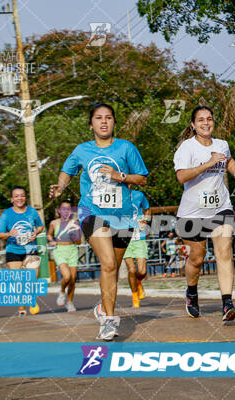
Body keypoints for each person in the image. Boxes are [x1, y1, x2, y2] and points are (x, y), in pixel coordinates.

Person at [50, 103, 148, 341]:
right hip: (91, 212)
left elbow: (142, 179)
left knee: (112, 268)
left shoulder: (127, 148)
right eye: (98, 118)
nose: (104, 122)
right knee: (107, 263)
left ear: (114, 122)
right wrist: (60, 186)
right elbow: (67, 170)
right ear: (91, 123)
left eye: (108, 118)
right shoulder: (82, 150)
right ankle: (108, 321)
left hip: (124, 216)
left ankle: (103, 308)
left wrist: (120, 176)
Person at [173, 105, 235, 322]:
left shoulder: (222, 144)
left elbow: (229, 160)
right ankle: (192, 292)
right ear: (193, 125)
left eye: (209, 119)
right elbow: (181, 177)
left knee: (224, 252)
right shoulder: (186, 148)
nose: (206, 123)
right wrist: (208, 163)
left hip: (220, 207)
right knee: (196, 259)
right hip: (192, 213)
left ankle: (227, 304)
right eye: (201, 120)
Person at [0, 185, 44, 317]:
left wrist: (36, 232)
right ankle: (22, 308)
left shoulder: (32, 212)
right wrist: (9, 234)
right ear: (12, 199)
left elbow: (41, 226)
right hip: (13, 250)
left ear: (25, 197)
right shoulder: (6, 214)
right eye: (16, 196)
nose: (20, 198)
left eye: (22, 195)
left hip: (31, 248)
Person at [47, 200, 82, 312]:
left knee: (72, 280)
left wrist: (75, 236)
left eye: (68, 209)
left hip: (72, 250)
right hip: (60, 250)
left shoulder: (75, 223)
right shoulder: (54, 223)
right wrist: (51, 240)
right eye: (63, 208)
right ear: (59, 210)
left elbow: (79, 242)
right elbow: (49, 234)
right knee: (66, 276)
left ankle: (70, 302)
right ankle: (62, 292)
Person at [123, 188, 151, 307]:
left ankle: (138, 282)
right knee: (132, 270)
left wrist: (146, 220)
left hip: (139, 236)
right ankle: (135, 298)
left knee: (142, 271)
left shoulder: (139, 195)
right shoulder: (117, 194)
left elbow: (148, 209)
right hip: (124, 237)